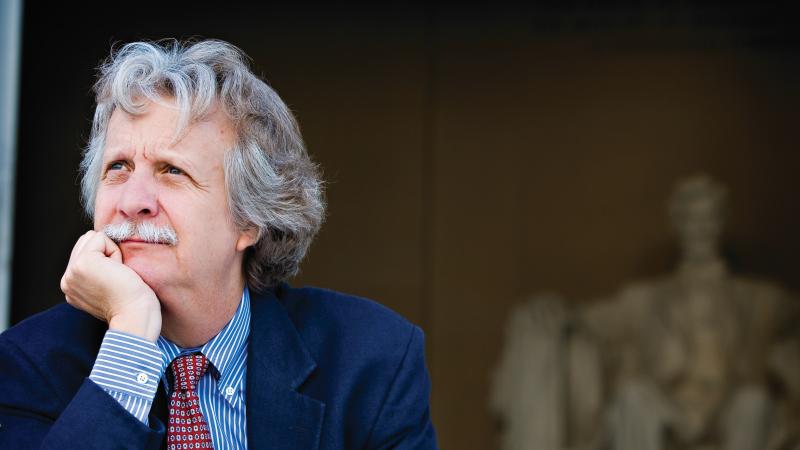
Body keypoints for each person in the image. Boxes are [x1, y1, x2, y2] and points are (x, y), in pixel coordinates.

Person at [0, 39, 437, 449]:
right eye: (118, 167)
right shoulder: (26, 363)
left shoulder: (371, 362)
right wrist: (131, 332)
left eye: (172, 171)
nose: (133, 202)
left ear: (250, 220)